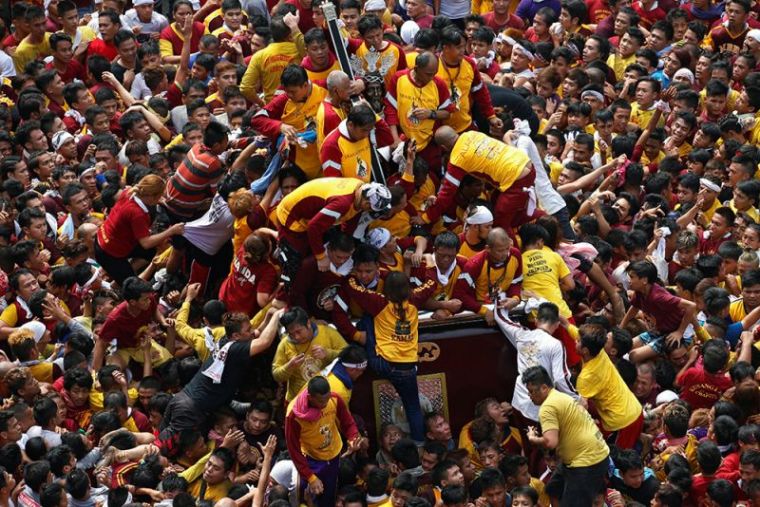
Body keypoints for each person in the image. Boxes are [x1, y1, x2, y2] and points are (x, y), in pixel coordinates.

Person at [523, 365, 610, 506]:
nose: (530, 396)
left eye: (532, 392)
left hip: (587, 462)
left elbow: (551, 442)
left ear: (544, 387)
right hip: (592, 455)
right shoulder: (560, 395)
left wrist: (532, 438)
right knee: (553, 489)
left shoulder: (547, 407)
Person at [285, 375, 365, 507]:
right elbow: (294, 450)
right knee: (310, 496)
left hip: (334, 455)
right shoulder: (293, 415)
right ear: (310, 397)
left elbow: (347, 422)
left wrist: (353, 438)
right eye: (322, 401)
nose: (326, 403)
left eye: (327, 398)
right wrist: (310, 477)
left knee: (329, 496)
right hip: (311, 459)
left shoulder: (334, 398)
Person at [495, 302, 577, 422]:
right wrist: (576, 399)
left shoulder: (521, 335)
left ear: (536, 321)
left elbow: (499, 316)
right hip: (541, 410)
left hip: (519, 403)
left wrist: (508, 299)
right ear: (557, 324)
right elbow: (560, 379)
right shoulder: (555, 345)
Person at [575, 324, 644, 449]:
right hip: (630, 411)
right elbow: (579, 333)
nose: (575, 340)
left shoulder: (586, 377)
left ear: (585, 350)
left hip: (624, 422)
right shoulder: (600, 352)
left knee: (617, 459)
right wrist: (564, 323)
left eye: (578, 341)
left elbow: (582, 406)